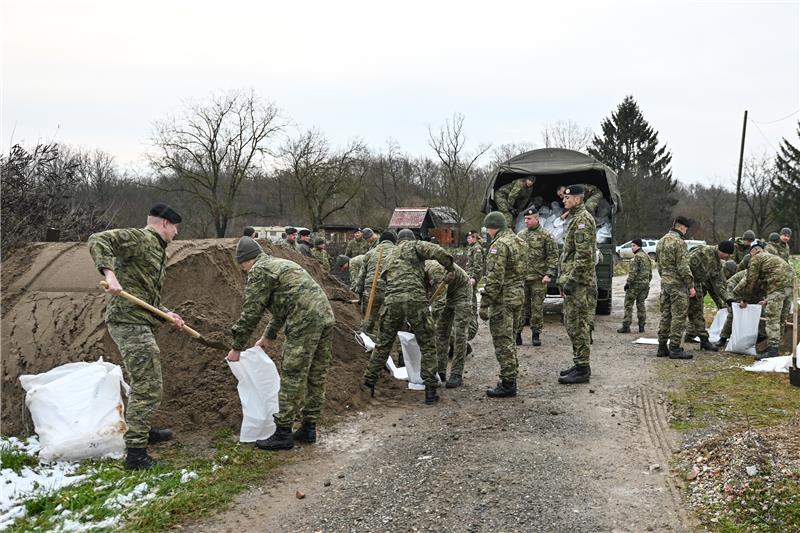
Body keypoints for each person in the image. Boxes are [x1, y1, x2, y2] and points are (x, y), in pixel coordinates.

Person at [88, 203, 185, 470]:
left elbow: (146, 297)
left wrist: (167, 313)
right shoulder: (141, 238)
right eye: (175, 227)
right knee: (149, 385)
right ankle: (136, 454)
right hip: (128, 322)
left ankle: (141, 430)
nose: (176, 233)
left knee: (143, 380)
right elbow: (98, 239)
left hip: (139, 318)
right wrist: (110, 274)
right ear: (165, 223)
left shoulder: (157, 250)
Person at [227, 237, 335, 450]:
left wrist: (237, 347)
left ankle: (283, 432)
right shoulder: (280, 264)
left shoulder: (259, 271)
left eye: (243, 267)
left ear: (246, 261)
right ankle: (309, 427)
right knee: (316, 374)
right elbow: (283, 307)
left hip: (304, 320)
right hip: (325, 316)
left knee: (293, 374)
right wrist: (268, 336)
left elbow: (251, 312)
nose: (244, 272)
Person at [363, 229, 454, 404]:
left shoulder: (389, 255)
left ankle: (369, 382)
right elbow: (436, 251)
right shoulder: (414, 246)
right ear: (411, 239)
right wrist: (449, 266)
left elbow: (385, 279)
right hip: (415, 301)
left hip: (392, 302)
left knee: (383, 344)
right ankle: (430, 389)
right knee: (427, 344)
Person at [479, 211, 526, 397]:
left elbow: (495, 279)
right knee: (511, 338)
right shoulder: (520, 241)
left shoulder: (498, 246)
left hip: (503, 300)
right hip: (517, 297)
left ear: (492, 227)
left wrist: (484, 303)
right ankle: (511, 374)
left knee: (502, 341)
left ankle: (508, 383)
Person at [556, 185, 597, 384]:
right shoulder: (575, 218)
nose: (564, 200)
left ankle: (582, 369)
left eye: (567, 197)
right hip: (574, 281)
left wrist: (571, 280)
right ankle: (580, 363)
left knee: (578, 324)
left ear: (578, 200)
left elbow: (583, 256)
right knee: (571, 323)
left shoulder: (582, 221)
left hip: (580, 283)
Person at [733, 241, 794, 359]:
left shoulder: (756, 258)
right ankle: (774, 347)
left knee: (772, 318)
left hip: (778, 287)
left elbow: (751, 281)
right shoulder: (771, 257)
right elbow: (773, 276)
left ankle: (773, 350)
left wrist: (745, 299)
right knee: (782, 318)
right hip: (790, 286)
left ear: (753, 251)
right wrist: (768, 299)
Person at [425, 261, 472, 388]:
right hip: (447, 293)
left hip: (461, 292)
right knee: (441, 333)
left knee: (459, 334)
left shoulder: (435, 269)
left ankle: (456, 373)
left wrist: (428, 319)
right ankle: (440, 370)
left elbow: (439, 302)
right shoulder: (416, 269)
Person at [655, 216, 695, 360]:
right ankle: (675, 348)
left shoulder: (661, 241)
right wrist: (690, 285)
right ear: (682, 227)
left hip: (665, 283)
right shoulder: (680, 243)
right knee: (678, 316)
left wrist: (665, 277)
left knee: (666, 315)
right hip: (678, 285)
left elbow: (658, 265)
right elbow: (683, 266)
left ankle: (661, 347)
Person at [517, 207, 558, 346]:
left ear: (537, 218)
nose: (526, 221)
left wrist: (549, 274)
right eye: (525, 219)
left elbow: (552, 256)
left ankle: (536, 334)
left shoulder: (546, 235)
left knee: (537, 308)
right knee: (520, 307)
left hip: (538, 279)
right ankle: (517, 334)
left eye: (529, 219)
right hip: (522, 278)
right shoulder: (520, 235)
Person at [684, 242, 734, 351]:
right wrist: (689, 285)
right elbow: (685, 266)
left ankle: (704, 340)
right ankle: (670, 341)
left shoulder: (718, 263)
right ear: (722, 251)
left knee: (697, 311)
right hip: (684, 283)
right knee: (680, 312)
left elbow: (719, 282)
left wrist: (727, 298)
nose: (728, 257)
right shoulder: (704, 252)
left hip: (697, 284)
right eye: (727, 254)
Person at [354, 231, 397, 335]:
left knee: (368, 318)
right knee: (392, 320)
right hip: (392, 289)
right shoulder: (398, 252)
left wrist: (358, 292)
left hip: (372, 288)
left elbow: (361, 276)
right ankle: (390, 343)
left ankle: (364, 339)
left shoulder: (370, 253)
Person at [716, 265, 767, 348]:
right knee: (734, 313)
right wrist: (743, 301)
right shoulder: (750, 275)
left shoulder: (766, 276)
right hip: (736, 291)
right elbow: (739, 289)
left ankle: (761, 335)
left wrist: (766, 300)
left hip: (753, 293)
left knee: (760, 311)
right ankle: (723, 337)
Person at [618, 239, 653, 334]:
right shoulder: (647, 257)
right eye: (631, 246)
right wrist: (647, 282)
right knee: (641, 304)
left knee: (628, 304)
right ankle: (641, 326)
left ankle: (626, 326)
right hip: (645, 285)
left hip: (635, 285)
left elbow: (633, 272)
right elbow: (650, 273)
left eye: (633, 245)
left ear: (639, 246)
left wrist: (628, 283)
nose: (632, 248)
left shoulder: (636, 257)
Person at [465, 230, 485, 342]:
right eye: (467, 238)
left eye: (470, 238)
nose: (468, 240)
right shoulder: (472, 247)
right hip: (469, 275)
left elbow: (478, 266)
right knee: (470, 295)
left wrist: (474, 278)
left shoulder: (477, 248)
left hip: (473, 277)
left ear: (475, 238)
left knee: (471, 295)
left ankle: (473, 315)